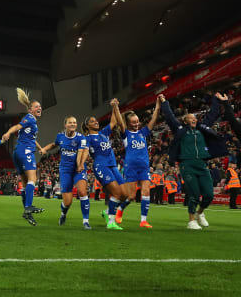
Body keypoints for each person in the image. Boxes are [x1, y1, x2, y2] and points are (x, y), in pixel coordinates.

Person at [160, 93, 225, 229]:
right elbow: (170, 117)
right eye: (191, 118)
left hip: (202, 164)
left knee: (209, 194)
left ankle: (199, 213)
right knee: (194, 194)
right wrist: (164, 102)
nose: (194, 119)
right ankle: (191, 221)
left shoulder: (202, 129)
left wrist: (216, 100)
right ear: (185, 121)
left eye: (195, 118)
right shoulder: (180, 130)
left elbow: (213, 114)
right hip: (187, 165)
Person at [1, 88, 47, 226]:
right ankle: (28, 207)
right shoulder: (29, 118)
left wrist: (40, 148)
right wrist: (8, 132)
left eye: (40, 106)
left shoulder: (32, 122)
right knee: (33, 178)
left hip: (18, 152)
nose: (39, 108)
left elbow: (31, 138)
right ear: (30, 110)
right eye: (36, 106)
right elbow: (17, 126)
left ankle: (27, 212)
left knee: (26, 184)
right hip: (25, 151)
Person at [115, 96, 161, 228]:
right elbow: (119, 122)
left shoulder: (143, 133)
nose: (137, 124)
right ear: (128, 123)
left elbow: (154, 119)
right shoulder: (126, 135)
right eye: (134, 122)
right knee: (131, 196)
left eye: (137, 121)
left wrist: (157, 105)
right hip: (131, 168)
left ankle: (143, 221)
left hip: (144, 167)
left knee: (146, 191)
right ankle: (120, 210)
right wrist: (116, 107)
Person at [82, 99, 126, 230]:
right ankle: (111, 222)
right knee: (117, 193)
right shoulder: (87, 139)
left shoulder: (103, 133)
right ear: (87, 126)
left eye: (96, 120)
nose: (96, 121)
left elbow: (113, 122)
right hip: (101, 167)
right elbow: (83, 152)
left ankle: (107, 213)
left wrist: (114, 106)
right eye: (92, 121)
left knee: (124, 194)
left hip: (113, 165)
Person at [41, 116, 91, 229]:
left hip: (78, 169)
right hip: (65, 171)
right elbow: (53, 145)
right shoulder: (60, 137)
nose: (73, 124)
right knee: (67, 202)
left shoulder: (81, 138)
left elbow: (82, 153)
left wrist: (79, 165)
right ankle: (63, 214)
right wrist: (44, 149)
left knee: (82, 192)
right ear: (65, 125)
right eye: (70, 122)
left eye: (74, 122)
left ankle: (86, 221)